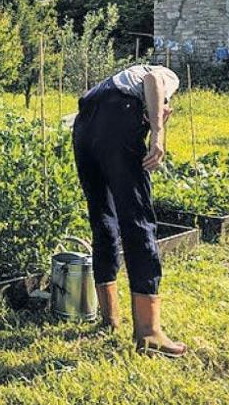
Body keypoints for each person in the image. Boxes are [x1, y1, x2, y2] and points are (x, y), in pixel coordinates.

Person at [72, 64, 186, 357]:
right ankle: (149, 333)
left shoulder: (118, 80)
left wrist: (156, 113)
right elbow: (154, 80)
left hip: (84, 126)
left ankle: (109, 317)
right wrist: (158, 134)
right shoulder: (163, 73)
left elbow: (149, 96)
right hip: (115, 119)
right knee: (137, 219)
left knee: (103, 219)